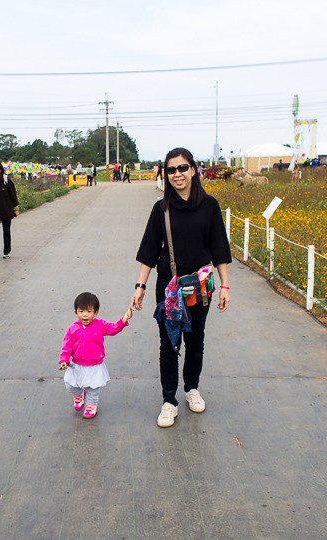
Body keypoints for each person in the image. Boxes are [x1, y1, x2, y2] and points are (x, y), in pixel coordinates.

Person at [131, 147, 232, 428]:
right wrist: (140, 286)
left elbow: (219, 248)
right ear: (166, 174)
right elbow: (149, 250)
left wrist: (225, 286)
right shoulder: (161, 209)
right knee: (168, 343)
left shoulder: (209, 205)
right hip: (170, 287)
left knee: (195, 340)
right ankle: (168, 401)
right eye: (171, 169)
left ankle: (191, 389)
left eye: (183, 168)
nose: (177, 174)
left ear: (193, 170)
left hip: (200, 287)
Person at [59, 292, 132, 419]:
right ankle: (78, 396)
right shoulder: (72, 329)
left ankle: (91, 405)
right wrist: (64, 359)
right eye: (81, 311)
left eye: (89, 311)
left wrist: (123, 320)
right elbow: (66, 346)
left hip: (94, 365)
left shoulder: (100, 325)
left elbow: (113, 328)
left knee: (93, 388)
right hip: (76, 364)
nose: (85, 315)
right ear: (75, 312)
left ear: (96, 312)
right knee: (71, 384)